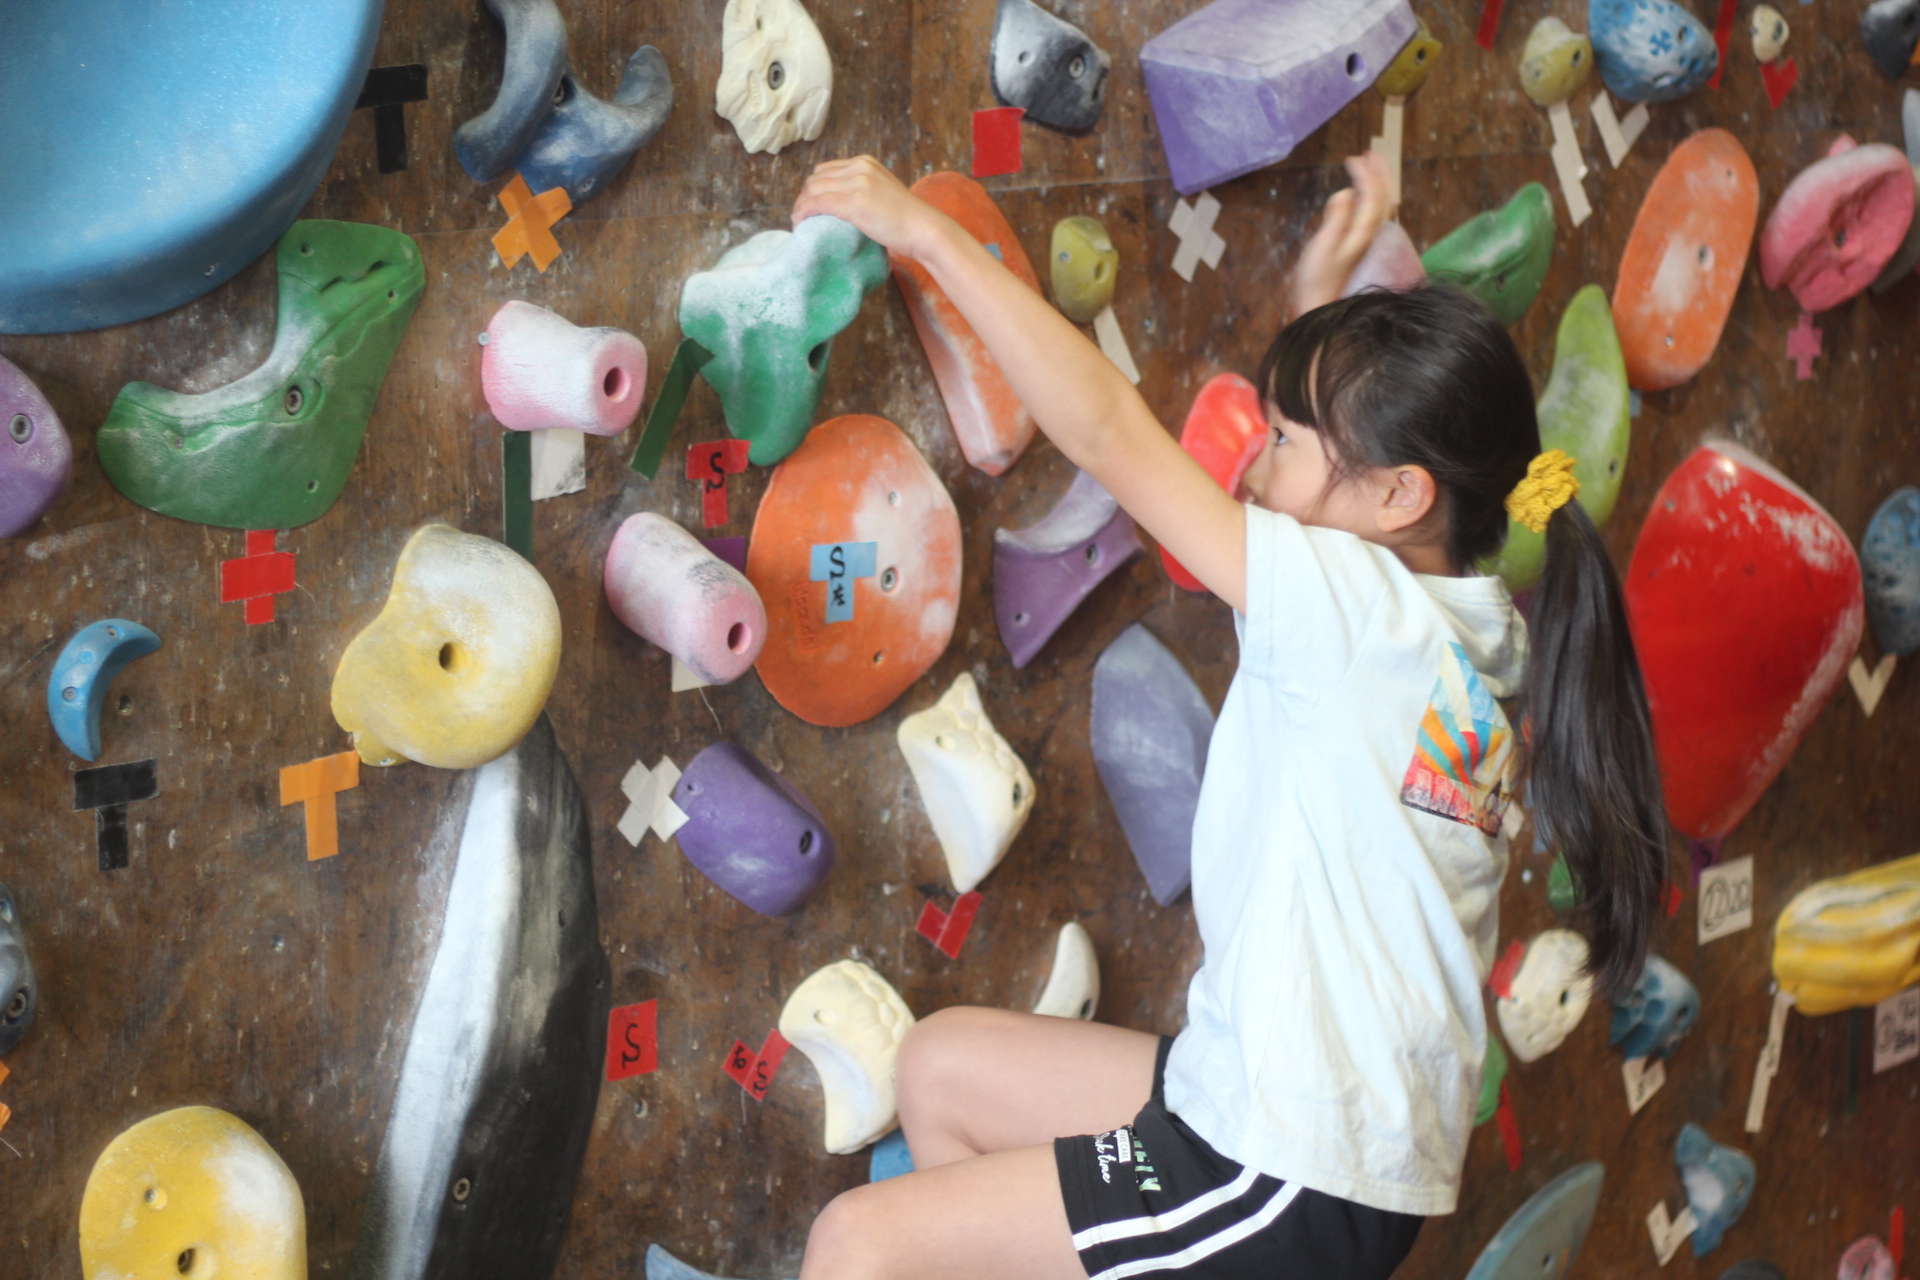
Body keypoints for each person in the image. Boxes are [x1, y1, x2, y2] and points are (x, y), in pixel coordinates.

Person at [786, 152, 1668, 1280]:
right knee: (941, 1071)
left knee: (857, 1242)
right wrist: (1318, 312)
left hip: (1289, 1168)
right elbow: (1338, 502)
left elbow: (1107, 431)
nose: (1256, 460)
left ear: (1400, 494)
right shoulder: (1455, 634)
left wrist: (928, 235)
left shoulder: (1354, 611)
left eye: (1286, 441)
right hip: (1316, 1129)